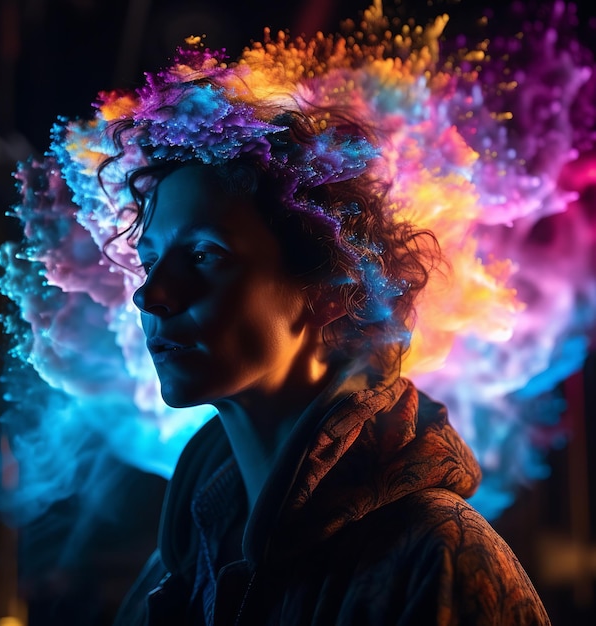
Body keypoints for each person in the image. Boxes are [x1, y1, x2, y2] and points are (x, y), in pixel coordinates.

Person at [86, 14, 553, 625]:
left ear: (329, 289)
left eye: (206, 255)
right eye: (152, 260)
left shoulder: (438, 560)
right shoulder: (173, 574)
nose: (152, 295)